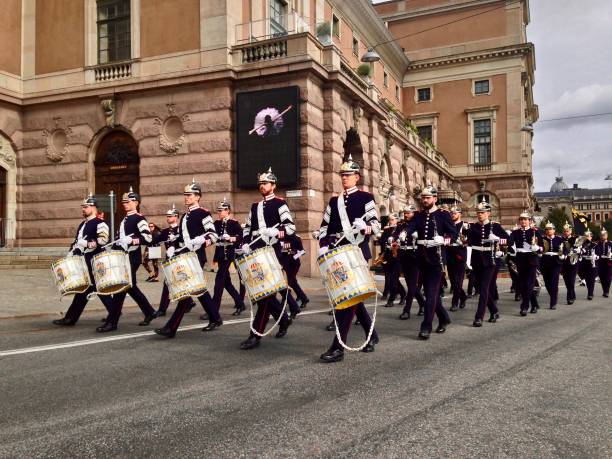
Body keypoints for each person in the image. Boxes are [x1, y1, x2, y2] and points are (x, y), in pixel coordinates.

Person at [317, 155, 381, 363]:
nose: (345, 178)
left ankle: (338, 346)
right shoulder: (334, 201)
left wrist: (366, 227)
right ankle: (372, 335)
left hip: (356, 253)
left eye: (349, 175)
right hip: (338, 254)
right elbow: (324, 227)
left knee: (345, 300)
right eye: (342, 175)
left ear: (357, 177)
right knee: (352, 299)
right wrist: (324, 243)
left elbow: (376, 226)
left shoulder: (366, 198)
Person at [238, 168, 295, 350]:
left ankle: (256, 335)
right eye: (261, 184)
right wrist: (245, 243)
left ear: (273, 185)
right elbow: (247, 229)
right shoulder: (255, 207)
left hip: (272, 254)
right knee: (263, 294)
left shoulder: (280, 204)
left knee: (265, 295)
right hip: (255, 254)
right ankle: (284, 319)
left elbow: (290, 228)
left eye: (266, 183)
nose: (262, 186)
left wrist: (276, 232)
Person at [154, 180, 219, 338]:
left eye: (189, 195)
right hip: (184, 256)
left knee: (186, 291)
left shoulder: (203, 213)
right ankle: (215, 318)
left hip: (196, 256)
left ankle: (171, 328)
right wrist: (172, 247)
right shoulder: (185, 216)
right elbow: (181, 237)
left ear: (198, 197)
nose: (186, 198)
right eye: (185, 195)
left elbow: (213, 235)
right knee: (199, 290)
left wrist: (202, 241)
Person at [97, 187, 159, 332]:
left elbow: (148, 238)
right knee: (131, 287)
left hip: (132, 257)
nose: (125, 203)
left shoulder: (140, 219)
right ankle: (150, 312)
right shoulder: (125, 219)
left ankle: (112, 321)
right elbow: (120, 239)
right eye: (124, 201)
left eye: (128, 201)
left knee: (121, 288)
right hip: (122, 258)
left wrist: (132, 240)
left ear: (136, 203)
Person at [52, 193, 115, 326]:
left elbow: (103, 240)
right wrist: (71, 253)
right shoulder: (82, 224)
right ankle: (71, 318)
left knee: (95, 290)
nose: (83, 209)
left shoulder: (100, 223)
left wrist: (87, 244)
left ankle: (113, 314)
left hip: (95, 262)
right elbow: (77, 241)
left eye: (85, 207)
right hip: (83, 262)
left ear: (93, 207)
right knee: (87, 291)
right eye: (82, 207)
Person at [410, 184, 457, 340]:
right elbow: (411, 227)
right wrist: (403, 234)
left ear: (435, 199)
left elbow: (453, 234)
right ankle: (444, 318)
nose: (425, 200)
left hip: (436, 258)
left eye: (428, 197)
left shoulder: (443, 214)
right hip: (420, 257)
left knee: (431, 293)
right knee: (432, 295)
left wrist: (444, 239)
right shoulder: (418, 215)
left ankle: (426, 327)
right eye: (423, 198)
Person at [464, 199, 508, 326]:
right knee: (479, 287)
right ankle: (494, 311)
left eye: (482, 212)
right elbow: (468, 241)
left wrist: (498, 239)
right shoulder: (473, 226)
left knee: (484, 288)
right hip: (476, 260)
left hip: (490, 261)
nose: (480, 214)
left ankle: (479, 317)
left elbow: (509, 240)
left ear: (488, 213)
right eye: (478, 212)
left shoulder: (495, 226)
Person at [212, 198, 245, 317]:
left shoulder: (233, 223)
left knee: (219, 282)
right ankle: (240, 303)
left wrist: (231, 238)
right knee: (227, 283)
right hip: (220, 255)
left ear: (228, 211)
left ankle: (213, 309)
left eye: (221, 210)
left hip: (228, 255)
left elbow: (241, 236)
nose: (219, 213)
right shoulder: (216, 223)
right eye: (218, 211)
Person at [394, 205, 426, 320]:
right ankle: (423, 304)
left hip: (415, 256)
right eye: (405, 213)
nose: (406, 215)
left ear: (413, 213)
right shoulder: (401, 225)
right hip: (404, 256)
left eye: (408, 213)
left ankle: (406, 310)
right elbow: (395, 235)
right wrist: (393, 239)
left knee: (412, 285)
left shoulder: (419, 224)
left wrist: (417, 236)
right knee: (411, 285)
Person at [509, 211, 542, 316]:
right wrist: (510, 247)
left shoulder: (535, 232)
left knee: (529, 283)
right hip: (520, 259)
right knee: (523, 284)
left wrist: (537, 248)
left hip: (531, 259)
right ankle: (535, 304)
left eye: (525, 219)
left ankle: (524, 306)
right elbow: (510, 243)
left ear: (529, 221)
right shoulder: (515, 232)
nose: (523, 221)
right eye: (521, 219)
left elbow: (542, 247)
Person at [279, 233, 309, 319]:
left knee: (289, 283)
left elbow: (302, 251)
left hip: (294, 263)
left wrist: (293, 255)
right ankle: (304, 298)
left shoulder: (296, 238)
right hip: (285, 263)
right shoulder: (281, 237)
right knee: (292, 283)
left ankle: (284, 304)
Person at [446, 206, 468, 311]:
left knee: (458, 281)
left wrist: (464, 242)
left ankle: (455, 302)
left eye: (454, 213)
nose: (452, 215)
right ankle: (463, 296)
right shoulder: (448, 225)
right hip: (449, 253)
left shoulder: (465, 225)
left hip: (460, 254)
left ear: (460, 214)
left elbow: (470, 239)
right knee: (453, 281)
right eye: (451, 213)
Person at [381, 214, 405, 307]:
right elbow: (382, 242)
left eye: (392, 219)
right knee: (391, 278)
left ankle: (391, 299)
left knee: (394, 278)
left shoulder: (400, 229)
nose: (390, 221)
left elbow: (402, 240)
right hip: (387, 256)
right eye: (389, 219)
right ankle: (403, 294)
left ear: (396, 220)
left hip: (397, 257)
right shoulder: (387, 230)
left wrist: (394, 244)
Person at [540, 222, 566, 310]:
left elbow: (565, 249)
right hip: (545, 261)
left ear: (554, 230)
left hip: (556, 262)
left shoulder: (559, 239)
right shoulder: (542, 239)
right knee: (547, 283)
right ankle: (553, 295)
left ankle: (553, 302)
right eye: (547, 229)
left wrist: (563, 255)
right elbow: (538, 248)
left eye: (550, 229)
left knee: (554, 281)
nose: (548, 231)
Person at [578, 230, 598, 300]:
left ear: (591, 237)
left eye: (589, 236)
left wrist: (596, 256)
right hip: (584, 263)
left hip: (592, 263)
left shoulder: (595, 245)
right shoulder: (581, 245)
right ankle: (590, 291)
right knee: (587, 278)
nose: (587, 237)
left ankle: (590, 293)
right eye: (586, 236)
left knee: (591, 279)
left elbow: (598, 253)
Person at [595, 229, 611, 297]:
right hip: (600, 262)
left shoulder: (610, 243)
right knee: (602, 277)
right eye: (601, 235)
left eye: (604, 235)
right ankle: (604, 290)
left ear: (607, 236)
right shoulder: (597, 244)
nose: (602, 237)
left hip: (608, 262)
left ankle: (606, 291)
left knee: (608, 277)